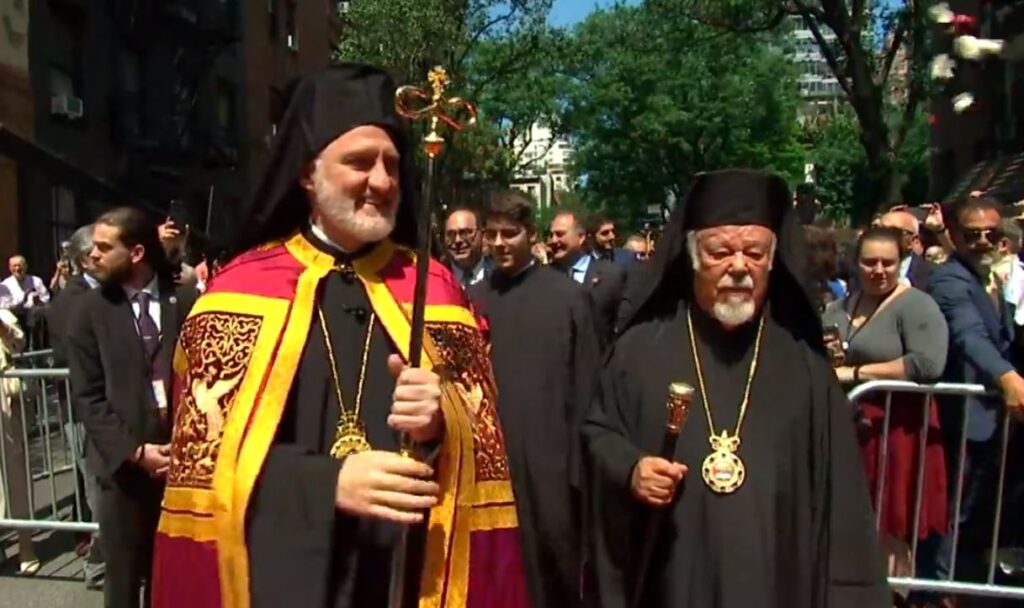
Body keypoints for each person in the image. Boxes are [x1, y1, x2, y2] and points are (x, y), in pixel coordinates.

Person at [150, 64, 529, 608]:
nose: (381, 181)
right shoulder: (238, 291)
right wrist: (327, 483)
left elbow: (485, 458)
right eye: (359, 162)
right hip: (285, 576)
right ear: (308, 174)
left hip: (403, 574)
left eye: (392, 165)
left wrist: (439, 423)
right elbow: (202, 469)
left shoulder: (436, 287)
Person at [582, 169, 887, 608]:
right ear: (692, 257)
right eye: (721, 252)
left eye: (755, 252)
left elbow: (842, 508)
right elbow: (596, 433)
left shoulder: (803, 365)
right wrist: (631, 469)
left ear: (772, 259)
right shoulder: (638, 351)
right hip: (673, 578)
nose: (739, 267)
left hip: (778, 577)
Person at [467, 190, 601, 608]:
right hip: (493, 466)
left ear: (531, 234)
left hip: (553, 468)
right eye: (492, 235)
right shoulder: (475, 301)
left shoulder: (568, 299)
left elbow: (588, 386)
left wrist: (581, 470)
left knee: (554, 572)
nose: (500, 243)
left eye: (510, 233)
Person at [66, 207, 198, 608]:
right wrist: (136, 453)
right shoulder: (88, 311)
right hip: (122, 471)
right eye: (93, 248)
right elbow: (87, 398)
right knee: (122, 586)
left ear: (137, 252)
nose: (93, 255)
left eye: (105, 248)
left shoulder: (185, 298)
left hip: (181, 467)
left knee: (172, 582)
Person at [822, 227, 949, 590]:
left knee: (890, 523)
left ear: (900, 263)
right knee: (851, 520)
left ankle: (893, 597)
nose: (879, 269)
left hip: (897, 429)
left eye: (887, 262)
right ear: (855, 262)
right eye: (869, 261)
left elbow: (928, 363)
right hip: (849, 427)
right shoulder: (838, 307)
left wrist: (859, 372)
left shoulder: (916, 304)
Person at [928, 197, 1024, 585]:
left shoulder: (990, 278)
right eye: (972, 234)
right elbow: (970, 336)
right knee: (954, 512)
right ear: (952, 235)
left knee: (978, 512)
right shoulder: (949, 280)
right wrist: (1008, 379)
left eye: (992, 233)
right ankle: (941, 588)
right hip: (962, 420)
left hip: (991, 421)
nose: (983, 241)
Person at [46, 223, 106, 589]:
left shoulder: (101, 293)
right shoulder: (73, 300)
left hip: (100, 407)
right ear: (88, 257)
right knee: (97, 487)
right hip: (85, 409)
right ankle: (99, 567)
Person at [0, 307, 40, 576]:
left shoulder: (3, 314)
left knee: (14, 476)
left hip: (4, 403)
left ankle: (26, 547)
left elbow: (19, 341)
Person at [549, 211, 626, 341]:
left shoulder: (611, 275)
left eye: (560, 234)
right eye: (551, 235)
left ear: (581, 237)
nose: (553, 240)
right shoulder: (545, 277)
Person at [877, 210, 932, 289]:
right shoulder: (857, 272)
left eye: (893, 232)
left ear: (913, 240)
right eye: (878, 230)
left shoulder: (931, 276)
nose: (883, 236)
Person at [444, 207, 491, 288]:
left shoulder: (500, 277)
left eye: (465, 233)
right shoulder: (436, 279)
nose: (457, 240)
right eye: (451, 234)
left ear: (483, 235)